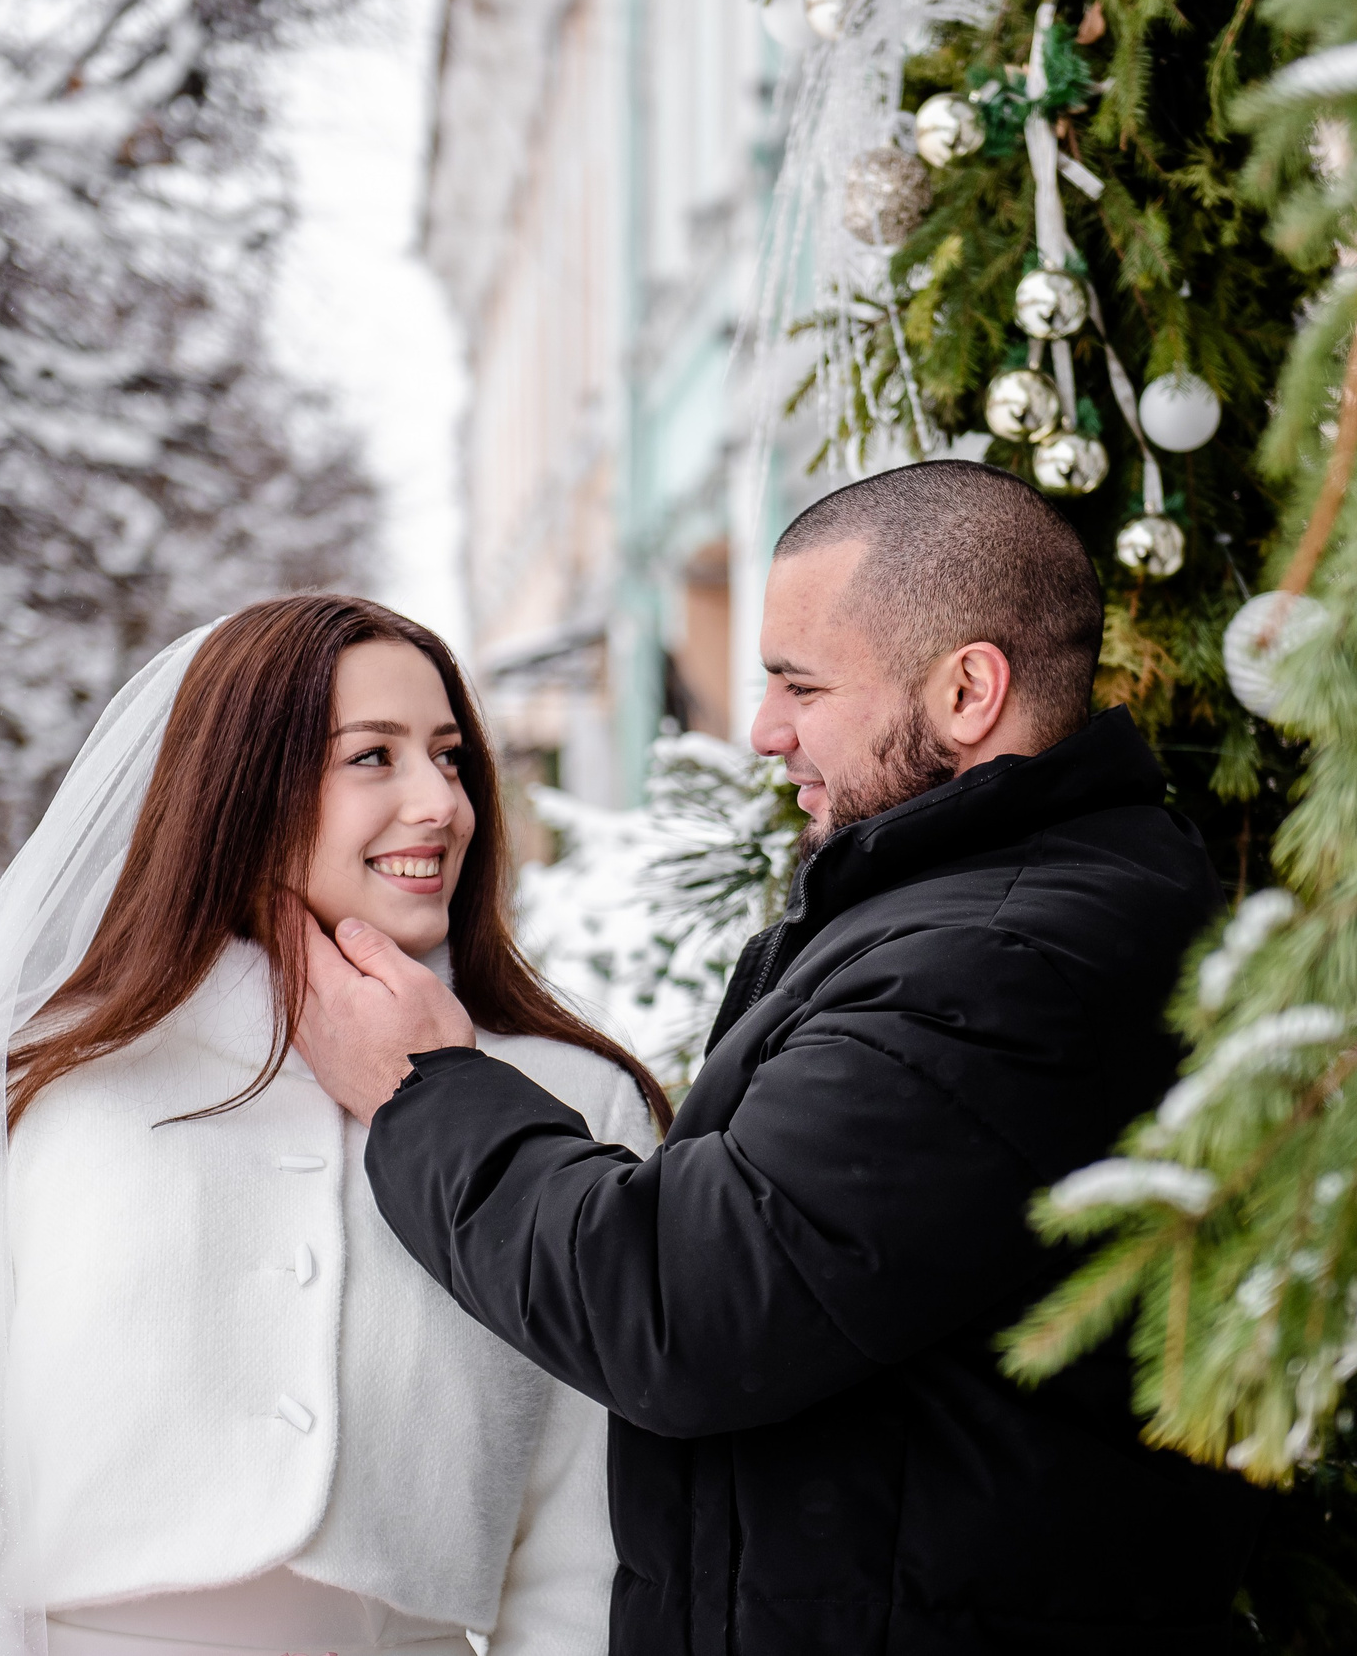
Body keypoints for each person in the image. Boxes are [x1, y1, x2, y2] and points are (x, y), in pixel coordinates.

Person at [292, 462, 1268, 1656]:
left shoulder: (1006, 958)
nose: (763, 729)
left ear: (968, 689)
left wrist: (422, 1087)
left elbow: (682, 1305)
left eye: (799, 683)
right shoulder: (978, 911)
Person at [0, 596, 661, 1656]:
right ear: (240, 788)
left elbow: (585, 1551)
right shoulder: (45, 1085)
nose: (439, 802)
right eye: (372, 756)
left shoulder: (573, 1102)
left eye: (451, 756)